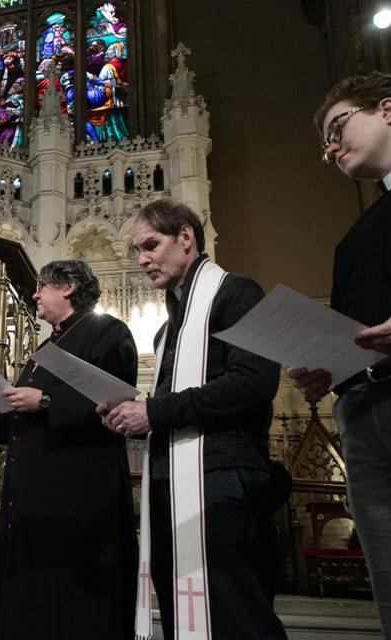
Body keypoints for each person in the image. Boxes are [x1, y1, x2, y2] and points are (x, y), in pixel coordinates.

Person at [290, 71, 391, 639]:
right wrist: (324, 366)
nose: (330, 150)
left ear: (386, 109)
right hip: (365, 416)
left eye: (336, 127)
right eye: (325, 143)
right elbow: (356, 332)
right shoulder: (355, 236)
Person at [102, 198, 286, 639]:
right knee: (182, 614)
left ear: (186, 238)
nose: (142, 259)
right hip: (169, 480)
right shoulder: (168, 330)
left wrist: (153, 411)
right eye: (136, 251)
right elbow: (171, 403)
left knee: (235, 615)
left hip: (221, 476)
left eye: (150, 245)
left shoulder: (238, 293)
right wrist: (129, 411)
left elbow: (254, 382)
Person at [0, 260, 139, 639]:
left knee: (71, 605)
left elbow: (114, 402)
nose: (34, 295)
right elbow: (24, 416)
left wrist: (45, 400)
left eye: (41, 286)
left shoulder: (107, 332)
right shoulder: (47, 347)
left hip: (78, 496)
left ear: (68, 287)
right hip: (33, 496)